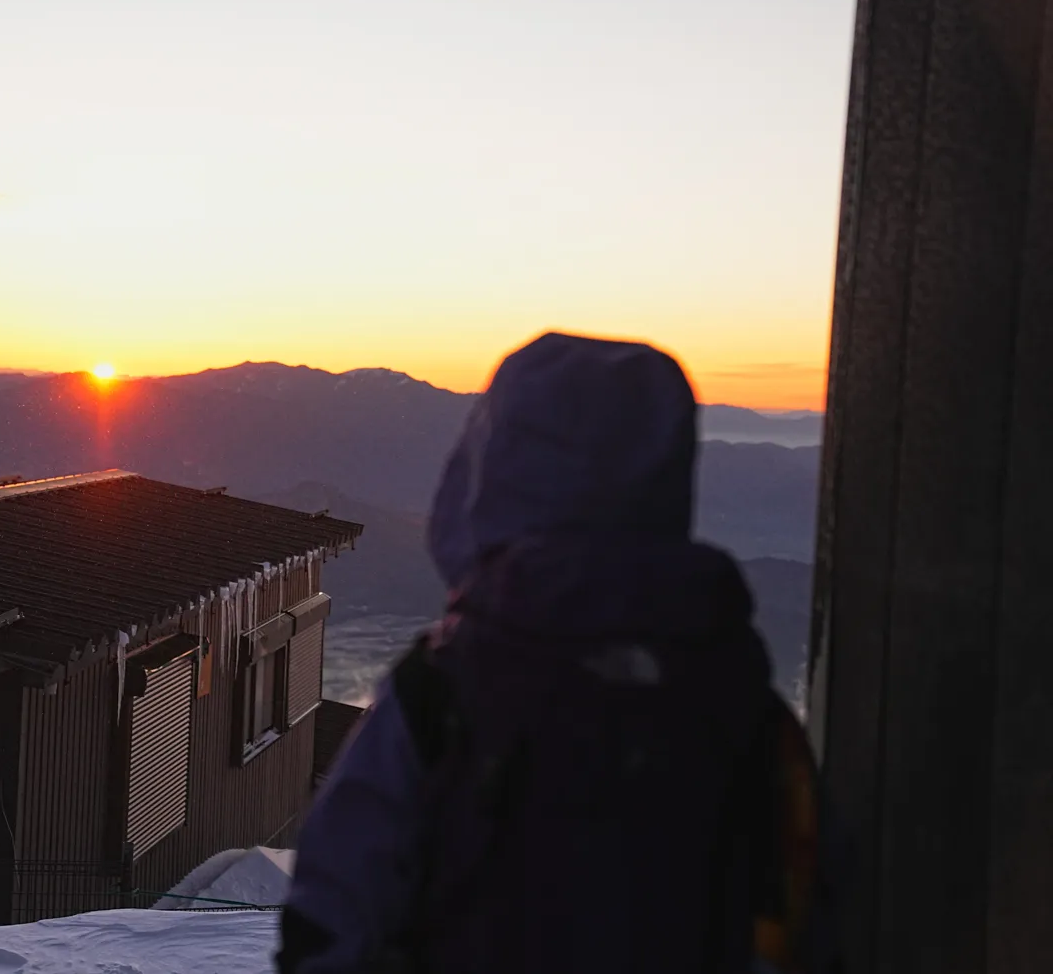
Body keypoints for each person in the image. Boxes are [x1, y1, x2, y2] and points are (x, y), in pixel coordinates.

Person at [279, 332, 841, 974]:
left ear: (487, 475)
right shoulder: (738, 699)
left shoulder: (445, 689)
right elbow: (805, 906)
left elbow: (336, 897)